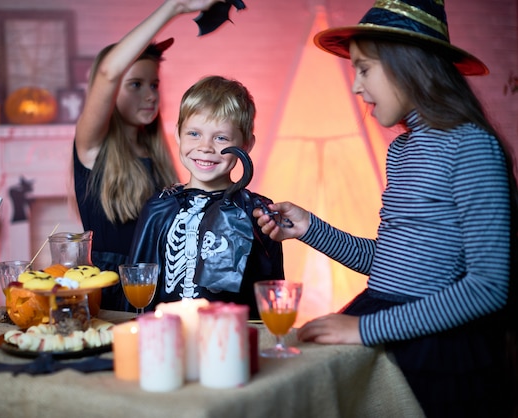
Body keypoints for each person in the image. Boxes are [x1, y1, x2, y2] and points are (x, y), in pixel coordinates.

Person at [254, 1, 518, 417]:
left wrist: (363, 328)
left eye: (364, 69)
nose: (356, 87)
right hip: (383, 317)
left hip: (439, 349)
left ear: (408, 65)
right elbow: (394, 262)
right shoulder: (401, 150)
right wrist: (310, 228)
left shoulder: (471, 146)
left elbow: (488, 286)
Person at [73, 0, 222, 310]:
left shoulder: (159, 154)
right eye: (136, 85)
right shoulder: (92, 150)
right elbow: (107, 72)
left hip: (159, 290)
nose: (151, 94)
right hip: (111, 298)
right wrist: (176, 6)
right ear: (112, 92)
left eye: (154, 84)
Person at [129, 75, 285, 319]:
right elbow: (136, 292)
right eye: (194, 133)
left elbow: (272, 291)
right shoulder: (159, 207)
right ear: (178, 134)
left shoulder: (256, 212)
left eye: (221, 137)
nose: (205, 147)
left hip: (231, 339)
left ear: (246, 145)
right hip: (164, 338)